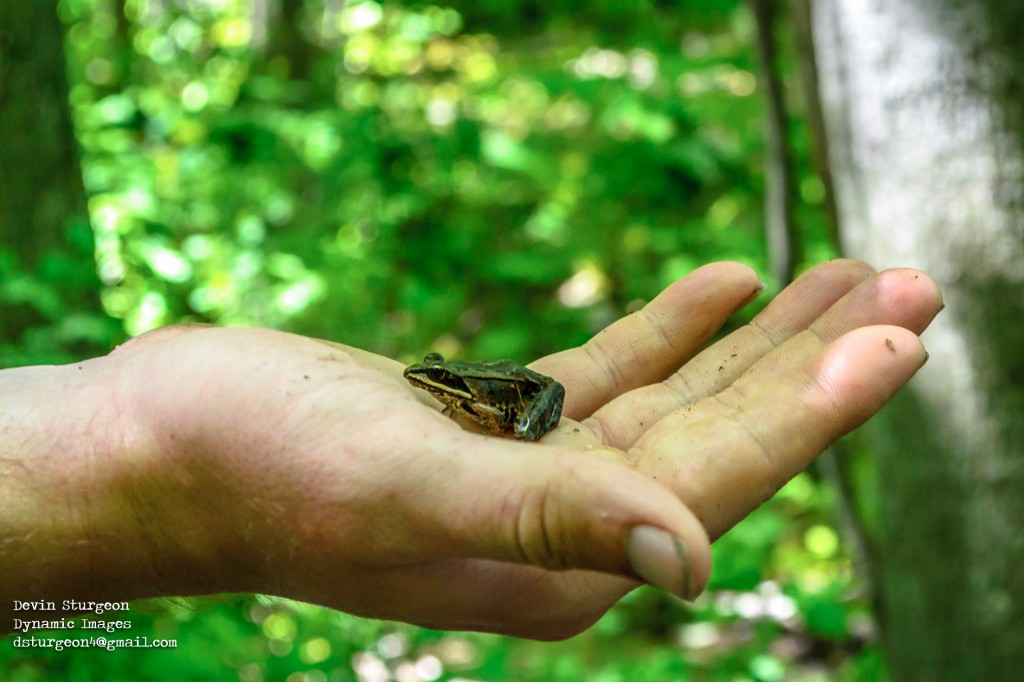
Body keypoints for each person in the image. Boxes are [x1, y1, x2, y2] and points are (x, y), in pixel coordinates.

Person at [0, 260, 942, 640]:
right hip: (518, 390)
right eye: (438, 381)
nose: (431, 388)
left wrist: (135, 465)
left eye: (438, 382)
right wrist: (148, 459)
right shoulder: (445, 389)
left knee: (532, 410)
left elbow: (530, 398)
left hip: (532, 398)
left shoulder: (477, 400)